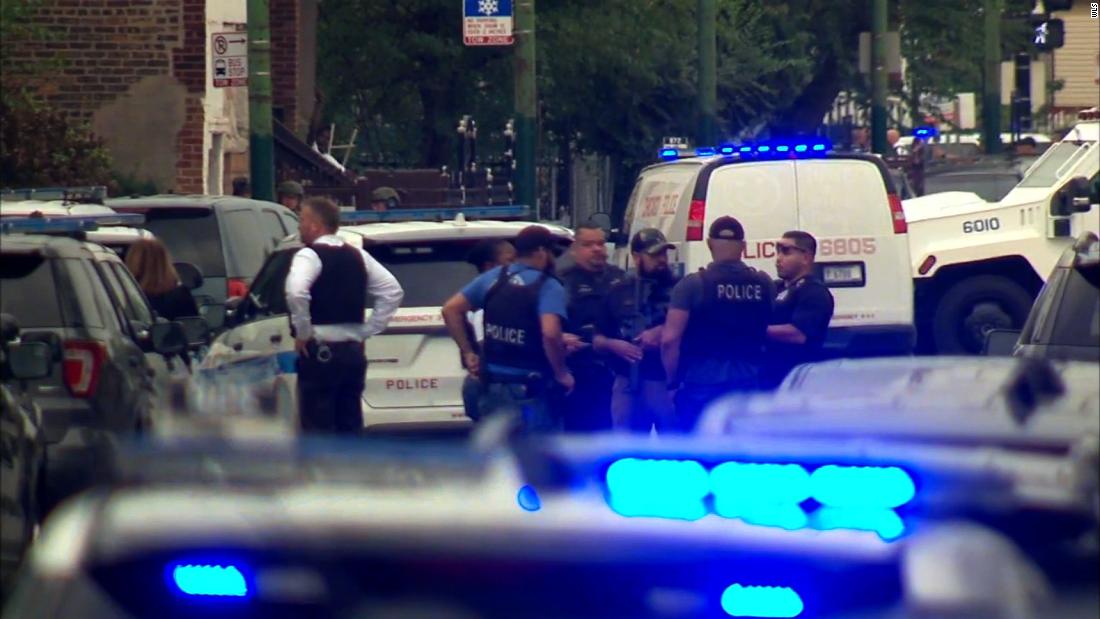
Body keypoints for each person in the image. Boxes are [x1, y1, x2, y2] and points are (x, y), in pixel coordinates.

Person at [285, 197, 404, 434]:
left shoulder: (308, 255)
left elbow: (296, 292)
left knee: (318, 428)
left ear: (315, 226)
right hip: (352, 352)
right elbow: (392, 291)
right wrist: (369, 329)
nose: (298, 227)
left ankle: (321, 471)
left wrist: (303, 331)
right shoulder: (358, 255)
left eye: (301, 220)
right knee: (350, 424)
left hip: (320, 353)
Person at [441, 226, 573, 433]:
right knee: (537, 460)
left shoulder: (494, 277)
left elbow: (450, 310)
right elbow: (549, 333)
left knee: (499, 458)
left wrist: (468, 352)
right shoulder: (548, 286)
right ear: (541, 251)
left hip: (492, 388)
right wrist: (561, 373)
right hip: (530, 390)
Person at [661, 216, 775, 431]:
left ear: (709, 243)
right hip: (749, 378)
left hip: (701, 381)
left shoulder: (692, 285)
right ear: (743, 246)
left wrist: (672, 383)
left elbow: (670, 340)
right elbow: (767, 325)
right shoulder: (764, 283)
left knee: (701, 449)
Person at [597, 228, 679, 433]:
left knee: (673, 448)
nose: (661, 260)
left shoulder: (680, 289)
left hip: (663, 379)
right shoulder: (618, 291)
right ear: (636, 257)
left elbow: (696, 327)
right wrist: (613, 345)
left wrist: (662, 331)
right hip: (626, 379)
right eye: (654, 255)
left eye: (664, 254)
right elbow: (596, 337)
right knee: (625, 448)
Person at [560, 223, 626, 432]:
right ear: (575, 249)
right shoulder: (563, 282)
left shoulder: (620, 278)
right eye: (588, 244)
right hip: (581, 371)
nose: (597, 249)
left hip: (616, 371)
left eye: (600, 243)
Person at [762, 231, 835, 390]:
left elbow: (798, 334)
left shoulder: (814, 292)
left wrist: (754, 329)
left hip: (797, 380)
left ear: (806, 257)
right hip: (769, 377)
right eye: (778, 251)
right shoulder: (777, 288)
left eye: (786, 251)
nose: (778, 258)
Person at [460, 239, 517, 422]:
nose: (517, 265)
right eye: (511, 260)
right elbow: (486, 344)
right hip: (498, 386)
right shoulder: (487, 303)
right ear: (490, 267)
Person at [125, 238, 199, 321]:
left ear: (132, 260)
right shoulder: (181, 295)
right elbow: (193, 327)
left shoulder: (124, 294)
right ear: (164, 260)